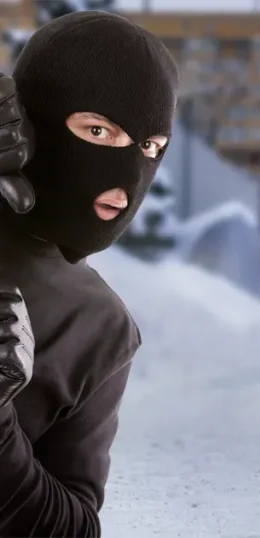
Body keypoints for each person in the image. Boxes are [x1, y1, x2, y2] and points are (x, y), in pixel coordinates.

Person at [0, 10, 178, 537]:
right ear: (31, 121)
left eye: (149, 147)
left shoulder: (100, 327)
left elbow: (74, 526)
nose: (125, 179)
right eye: (99, 130)